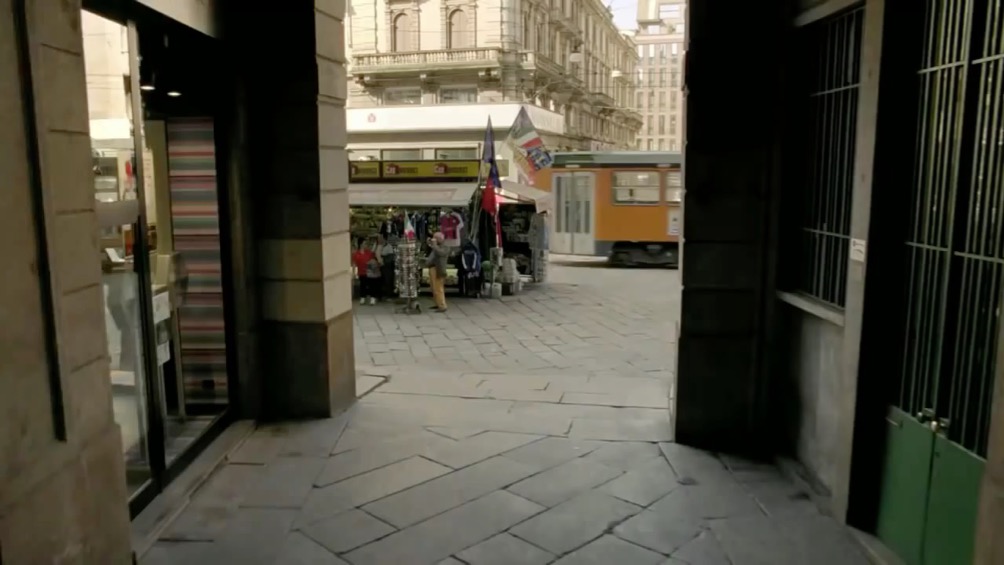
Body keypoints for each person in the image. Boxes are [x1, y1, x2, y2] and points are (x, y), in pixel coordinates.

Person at [425, 232, 449, 312]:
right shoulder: (436, 246)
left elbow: (440, 253)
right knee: (433, 288)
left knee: (438, 288)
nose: (434, 240)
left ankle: (442, 305)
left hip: (438, 269)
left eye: (435, 238)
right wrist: (429, 243)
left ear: (440, 239)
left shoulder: (445, 246)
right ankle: (437, 303)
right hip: (432, 268)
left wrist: (434, 245)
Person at [352, 239, 378, 305]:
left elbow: (373, 261)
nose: (366, 245)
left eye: (366, 243)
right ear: (361, 244)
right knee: (363, 285)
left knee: (371, 285)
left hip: (369, 272)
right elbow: (354, 263)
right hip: (361, 272)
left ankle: (372, 298)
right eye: (364, 243)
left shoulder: (369, 253)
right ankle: (362, 298)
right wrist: (354, 273)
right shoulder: (356, 254)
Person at [376, 234, 396, 300]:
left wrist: (383, 260)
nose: (379, 240)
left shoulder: (389, 246)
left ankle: (388, 295)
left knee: (388, 280)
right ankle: (379, 295)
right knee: (379, 281)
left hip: (387, 266)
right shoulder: (377, 246)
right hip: (378, 266)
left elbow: (390, 257)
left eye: (381, 238)